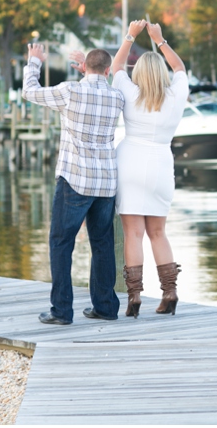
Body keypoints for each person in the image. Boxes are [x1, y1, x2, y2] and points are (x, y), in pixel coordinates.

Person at [22, 44, 123, 325]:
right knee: (102, 244)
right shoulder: (117, 97)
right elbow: (101, 83)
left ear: (85, 68)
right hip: (105, 182)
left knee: (61, 242)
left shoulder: (71, 91)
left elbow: (29, 92)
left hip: (75, 178)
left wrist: (34, 62)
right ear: (107, 71)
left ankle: (61, 311)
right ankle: (105, 307)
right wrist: (90, 71)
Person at [109, 19, 189, 317]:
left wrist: (131, 35)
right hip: (160, 164)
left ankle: (134, 297)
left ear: (139, 73)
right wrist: (160, 39)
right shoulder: (175, 94)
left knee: (133, 234)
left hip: (130, 162)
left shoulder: (130, 93)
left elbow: (116, 66)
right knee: (158, 233)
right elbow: (179, 68)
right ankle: (169, 292)